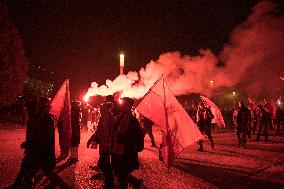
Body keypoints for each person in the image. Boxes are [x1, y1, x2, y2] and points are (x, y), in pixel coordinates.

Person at [8, 97, 70, 189]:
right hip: (37, 152)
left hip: (40, 153)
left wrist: (29, 144)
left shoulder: (44, 119)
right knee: (26, 168)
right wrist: (28, 143)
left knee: (47, 172)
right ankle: (17, 185)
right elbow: (35, 134)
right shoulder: (40, 118)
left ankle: (65, 187)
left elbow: (42, 138)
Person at [111, 97, 144, 189]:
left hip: (126, 150)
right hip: (117, 148)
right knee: (118, 171)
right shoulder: (121, 116)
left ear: (129, 106)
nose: (121, 106)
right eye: (122, 104)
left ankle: (131, 184)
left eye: (124, 104)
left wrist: (122, 137)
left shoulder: (133, 120)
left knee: (121, 172)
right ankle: (135, 182)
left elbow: (136, 136)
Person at [87, 95, 116, 189]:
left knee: (103, 164)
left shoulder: (110, 118)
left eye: (103, 108)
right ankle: (109, 182)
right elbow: (99, 131)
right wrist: (92, 139)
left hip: (108, 145)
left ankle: (110, 183)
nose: (101, 110)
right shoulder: (104, 118)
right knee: (104, 164)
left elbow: (112, 132)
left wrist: (110, 144)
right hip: (104, 145)